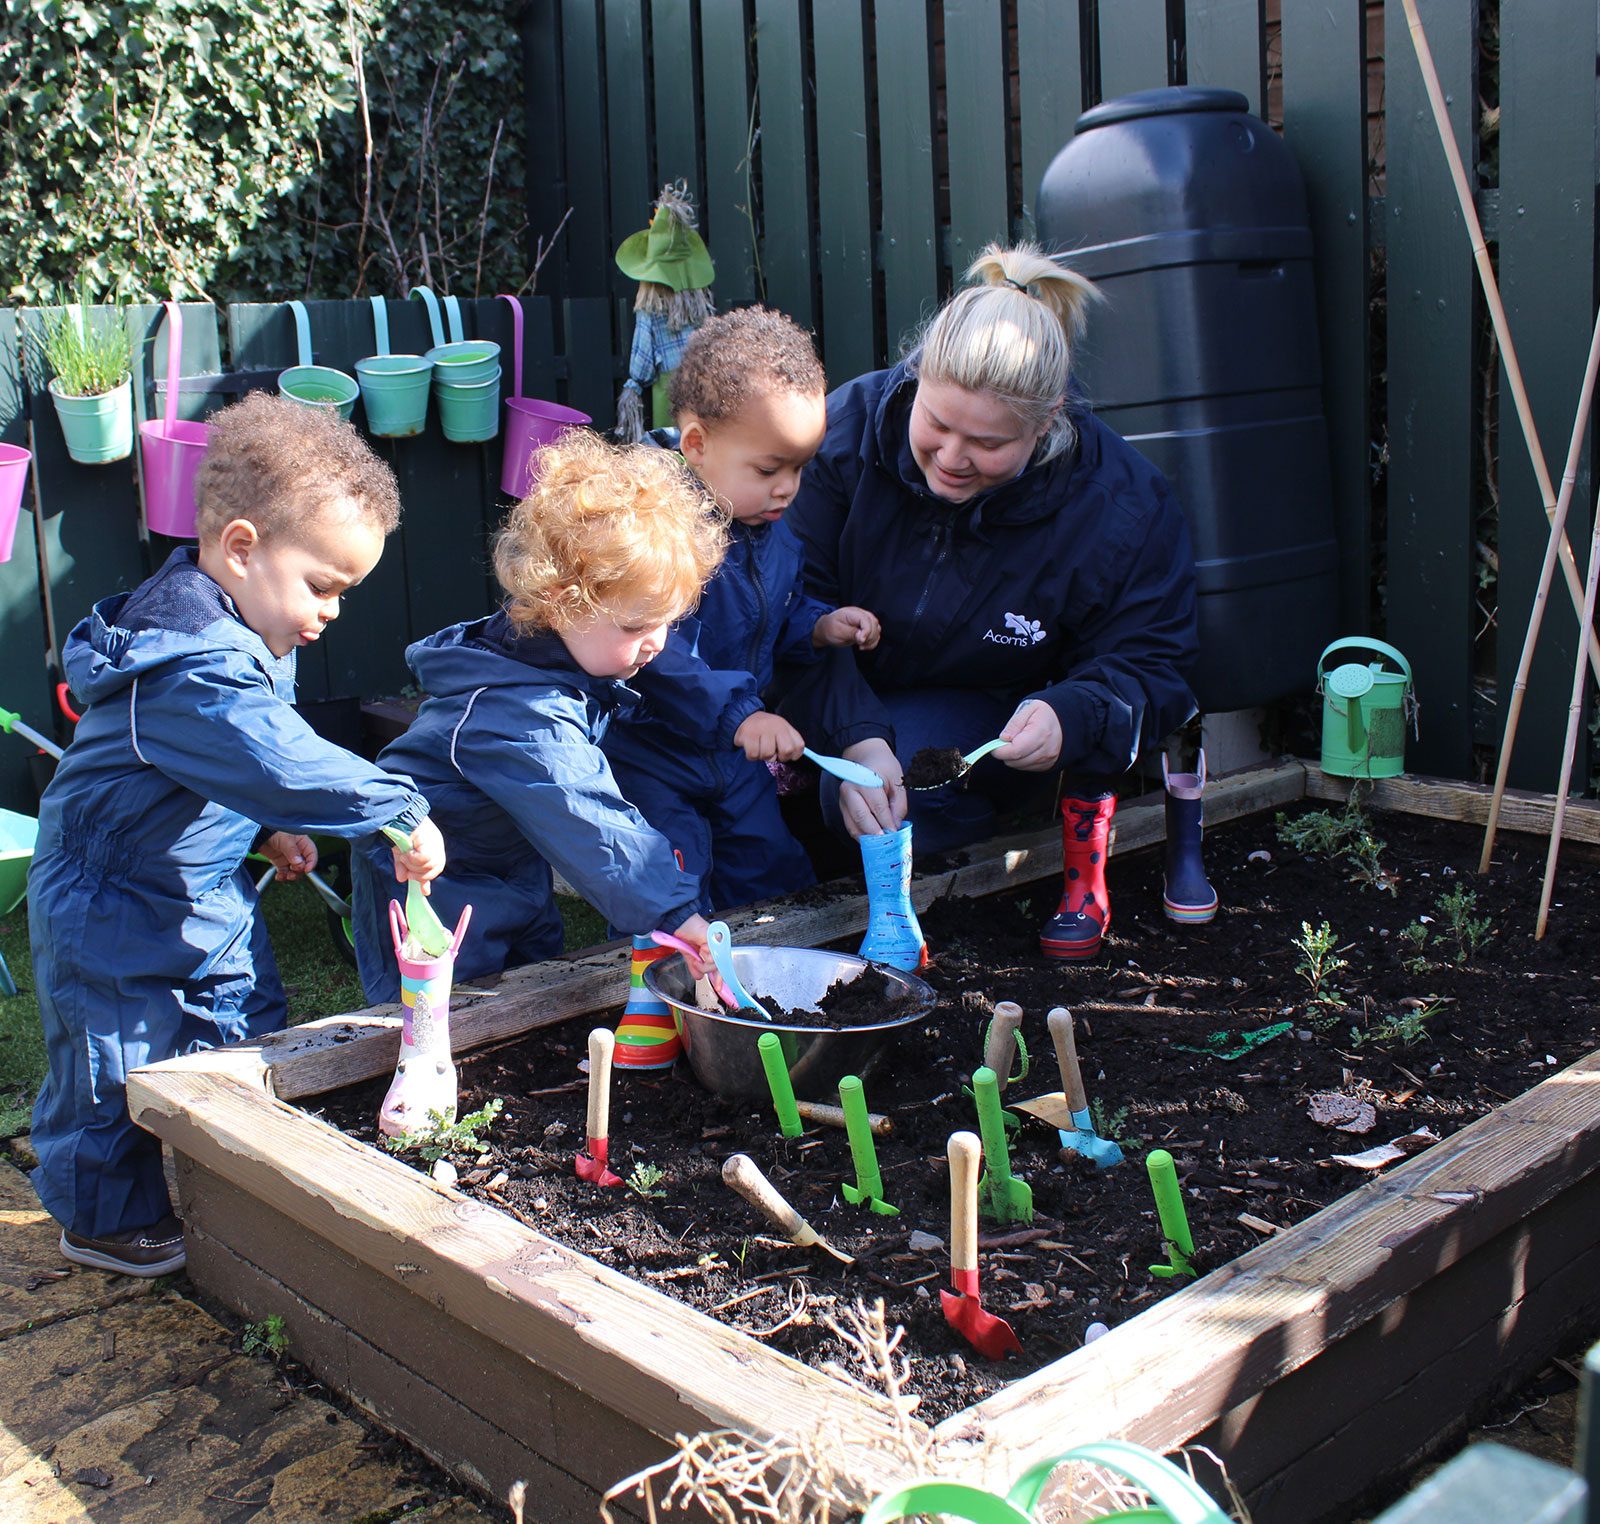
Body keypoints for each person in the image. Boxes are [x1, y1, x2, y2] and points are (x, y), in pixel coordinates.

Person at [28, 391, 446, 1276]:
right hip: (109, 896)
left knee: (238, 1018)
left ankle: (219, 1173)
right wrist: (394, 804)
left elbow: (234, 773)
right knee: (116, 1053)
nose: (333, 610)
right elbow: (273, 757)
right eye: (324, 585)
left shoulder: (242, 637)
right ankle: (102, 1216)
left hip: (196, 882)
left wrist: (265, 830)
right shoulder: (189, 665)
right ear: (243, 548)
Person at [785, 241, 1199, 962]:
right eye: (937, 425)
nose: (951, 456)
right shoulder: (840, 439)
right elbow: (785, 601)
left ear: (1047, 425)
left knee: (881, 792)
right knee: (830, 784)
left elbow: (1154, 660)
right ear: (915, 378)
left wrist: (1073, 714)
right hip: (827, 692)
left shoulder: (1119, 505)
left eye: (986, 443)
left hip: (979, 713)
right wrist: (856, 735)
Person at [349, 429, 724, 1011]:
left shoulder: (552, 666)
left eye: (666, 623)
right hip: (429, 873)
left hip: (506, 850)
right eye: (635, 627)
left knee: (536, 972)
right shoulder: (520, 716)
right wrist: (675, 909)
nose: (656, 643)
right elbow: (587, 817)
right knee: (445, 1000)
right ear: (560, 603)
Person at [603, 306, 881, 920]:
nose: (788, 488)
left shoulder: (773, 533)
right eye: (768, 469)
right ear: (697, 445)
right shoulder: (658, 536)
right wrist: (739, 713)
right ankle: (671, 987)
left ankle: (779, 979)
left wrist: (817, 625)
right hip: (653, 751)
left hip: (734, 755)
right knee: (673, 878)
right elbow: (654, 651)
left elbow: (772, 614)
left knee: (770, 869)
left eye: (800, 468)